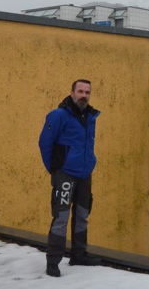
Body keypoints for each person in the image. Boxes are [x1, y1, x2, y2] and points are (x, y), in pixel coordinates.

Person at [38, 79, 103, 277]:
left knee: (83, 215)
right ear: (72, 92)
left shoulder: (90, 116)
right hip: (65, 173)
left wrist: (90, 163)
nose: (84, 95)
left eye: (87, 92)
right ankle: (53, 262)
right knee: (61, 217)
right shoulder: (59, 115)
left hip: (84, 174)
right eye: (80, 91)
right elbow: (45, 143)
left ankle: (79, 255)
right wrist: (55, 169)